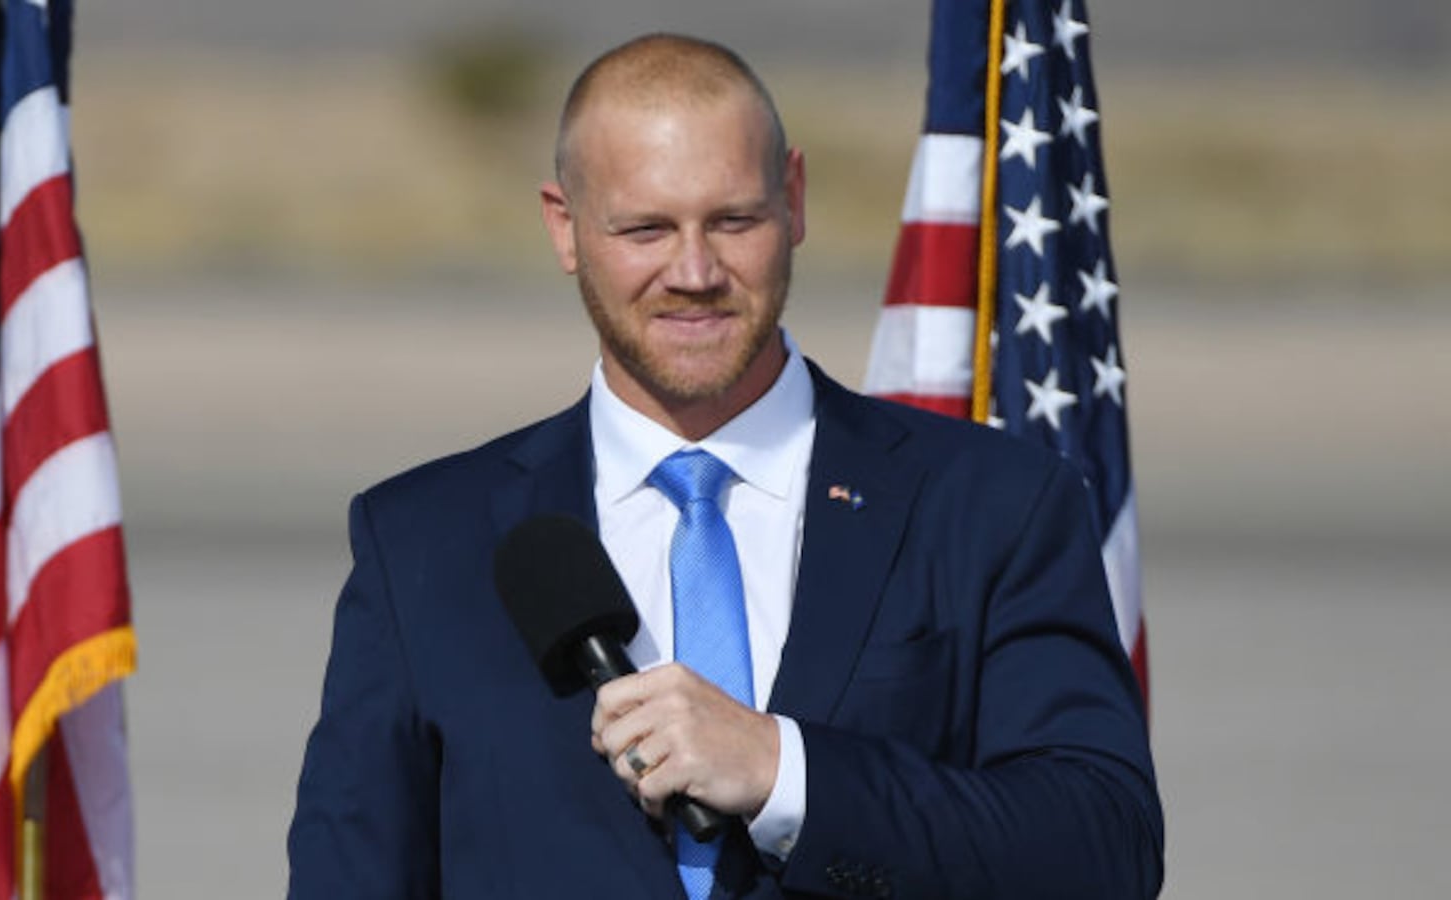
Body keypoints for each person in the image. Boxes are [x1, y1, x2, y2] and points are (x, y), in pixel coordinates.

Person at [287, 33, 1162, 900]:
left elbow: (1103, 848)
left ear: (795, 200)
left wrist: (787, 772)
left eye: (734, 220)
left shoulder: (992, 504)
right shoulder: (422, 544)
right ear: (565, 227)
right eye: (645, 229)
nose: (695, 271)